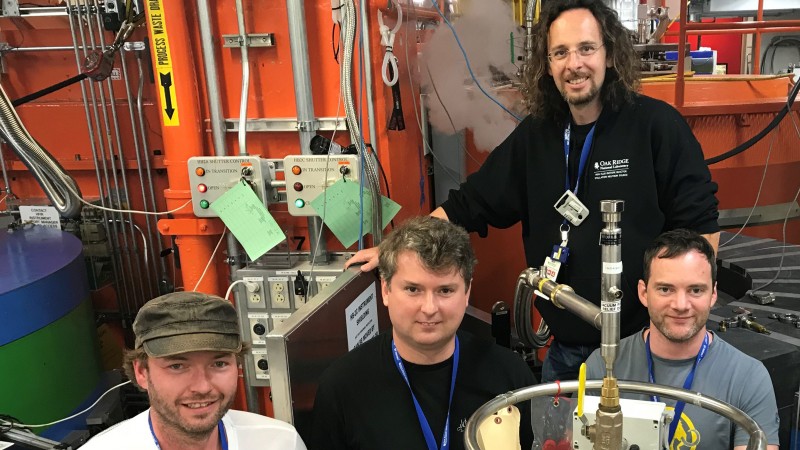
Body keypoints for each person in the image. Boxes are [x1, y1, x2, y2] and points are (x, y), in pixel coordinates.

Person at [347, 0, 719, 382]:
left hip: (643, 351)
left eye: (586, 49)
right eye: (560, 53)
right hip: (564, 353)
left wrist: (680, 327)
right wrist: (398, 247)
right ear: (548, 65)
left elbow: (700, 224)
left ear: (609, 55)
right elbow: (470, 203)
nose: (574, 64)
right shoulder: (538, 135)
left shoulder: (656, 128)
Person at [311, 216, 536, 450]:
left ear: (467, 292)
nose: (429, 308)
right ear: (386, 290)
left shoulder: (509, 376)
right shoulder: (343, 387)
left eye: (445, 290)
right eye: (413, 289)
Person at [585, 229, 779, 450]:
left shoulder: (748, 378)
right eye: (665, 289)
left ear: (713, 294)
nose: (680, 305)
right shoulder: (602, 366)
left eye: (695, 290)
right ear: (644, 293)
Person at [81, 292, 307, 450]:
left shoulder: (280, 443)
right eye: (177, 366)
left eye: (218, 364)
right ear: (142, 373)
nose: (202, 386)